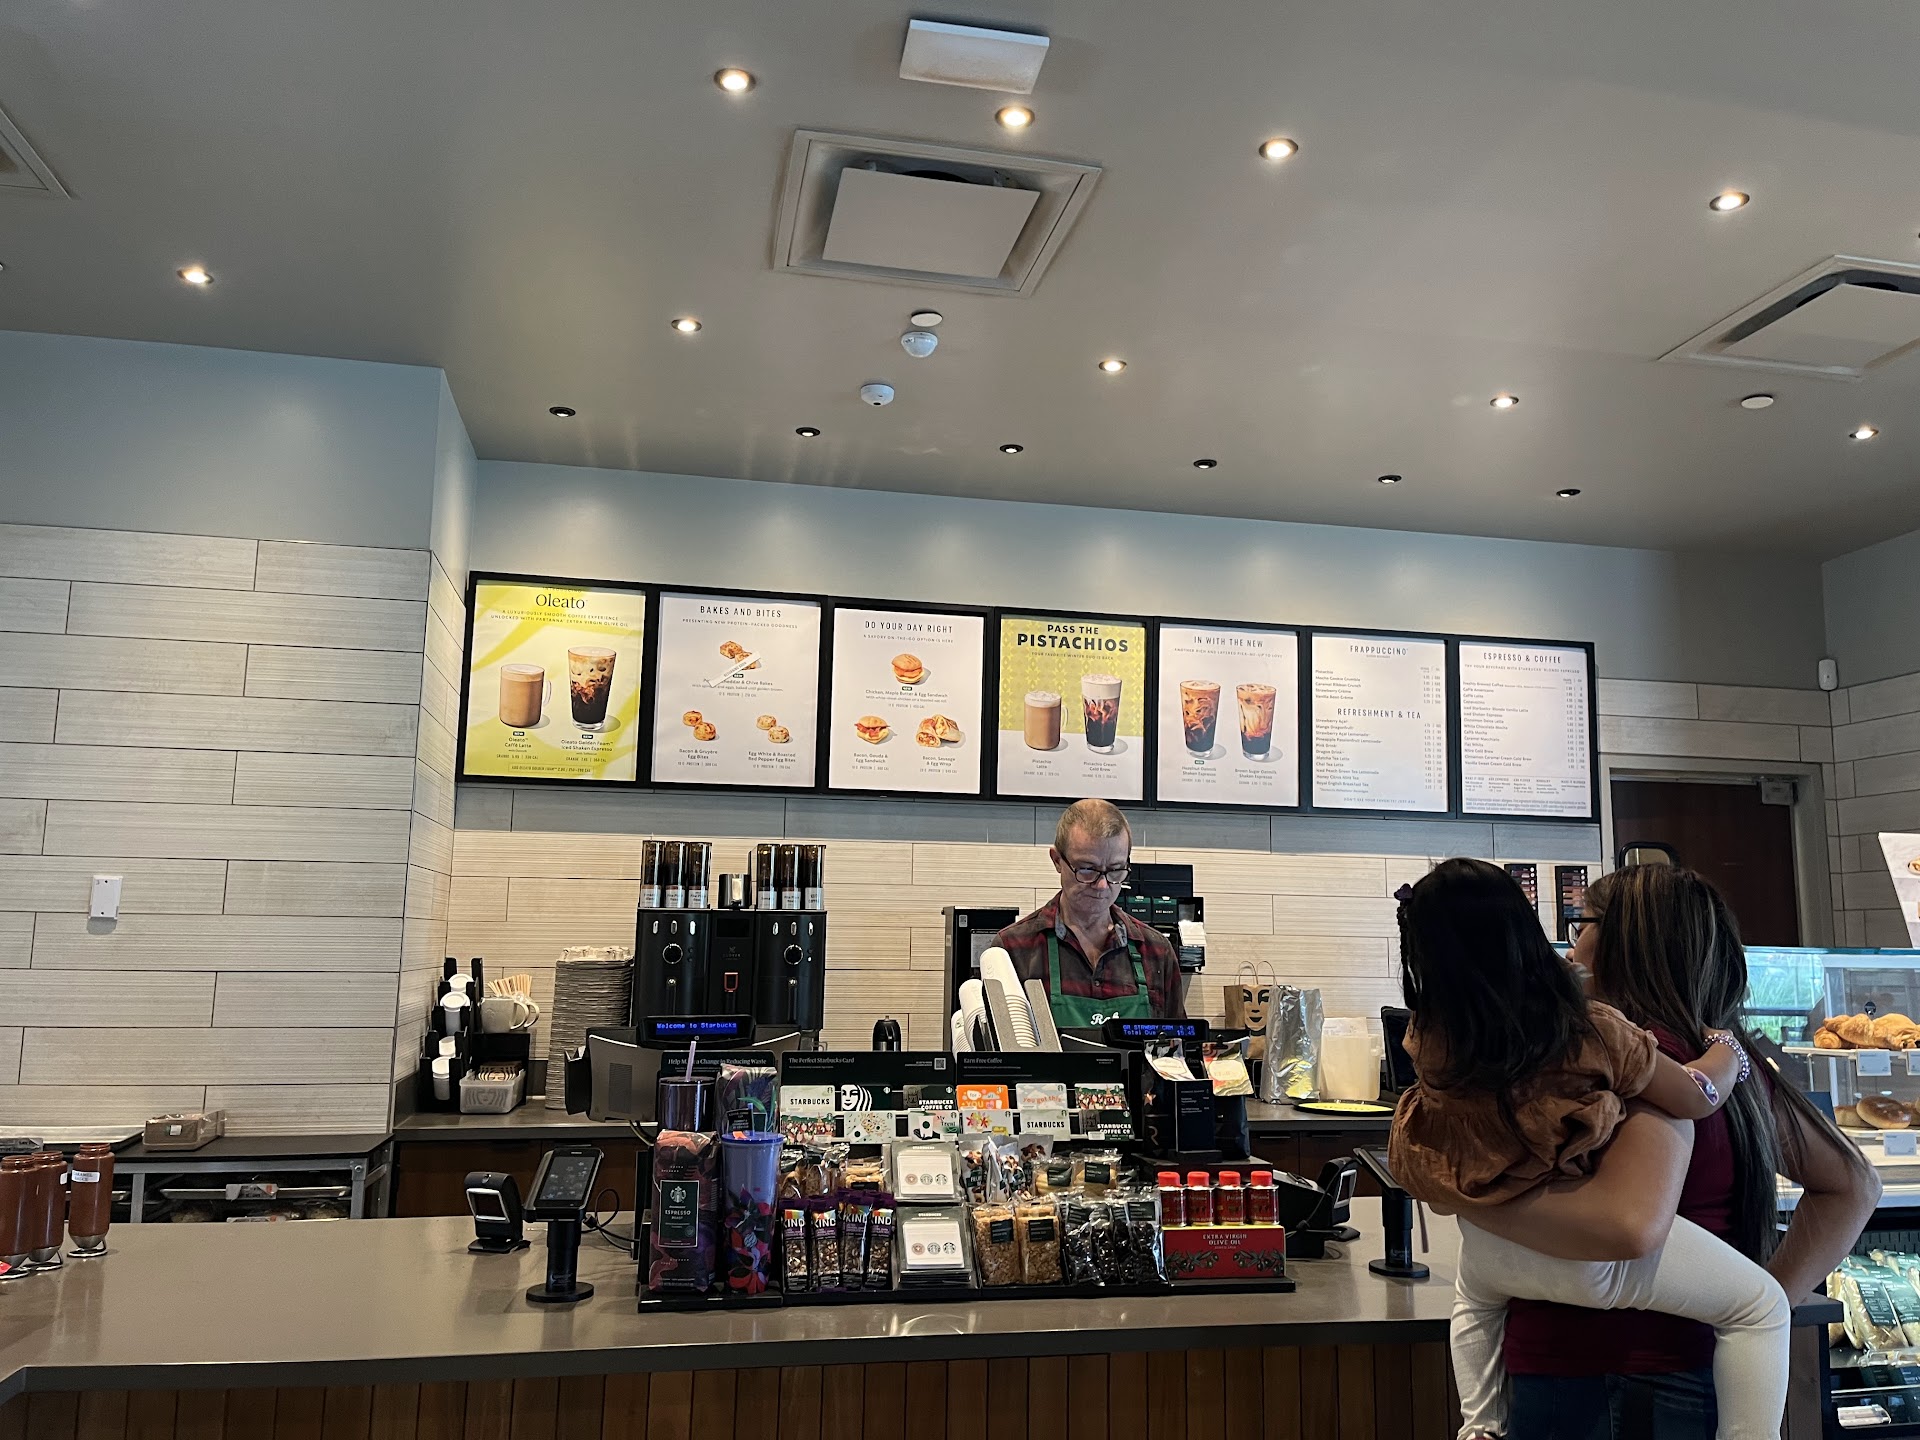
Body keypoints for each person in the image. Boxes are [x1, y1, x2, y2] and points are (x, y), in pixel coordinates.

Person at [1386, 859, 1790, 1440]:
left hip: (1495, 1253)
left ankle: (1479, 1425)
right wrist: (1730, 1050)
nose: (1573, 941)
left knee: (1472, 1297)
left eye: (1582, 925)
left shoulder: (1429, 1036)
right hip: (1589, 1263)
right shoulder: (1594, 1030)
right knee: (1761, 1306)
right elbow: (1696, 1096)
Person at [1484, 865, 1882, 1439]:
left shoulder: (1624, 1064)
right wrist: (1764, 1303)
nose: (1571, 947)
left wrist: (1473, 1201)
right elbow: (1854, 1184)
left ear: (1624, 941)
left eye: (1582, 925)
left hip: (1596, 1372)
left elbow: (1626, 1225)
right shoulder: (1726, 1056)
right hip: (1691, 1364)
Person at [992, 798, 1186, 1025]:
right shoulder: (1013, 949)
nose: (1102, 885)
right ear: (1057, 860)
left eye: (1115, 870)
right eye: (1087, 869)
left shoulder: (1156, 951)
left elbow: (1176, 1044)